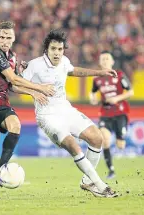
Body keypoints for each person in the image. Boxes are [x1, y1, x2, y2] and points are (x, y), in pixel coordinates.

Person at [19, 29, 119, 197]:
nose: (57, 53)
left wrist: (100, 72)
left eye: (60, 49)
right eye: (53, 49)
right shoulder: (35, 65)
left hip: (65, 109)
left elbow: (73, 71)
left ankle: (87, 182)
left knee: (96, 137)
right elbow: (16, 84)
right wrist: (34, 92)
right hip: (47, 116)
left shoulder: (64, 61)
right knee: (73, 144)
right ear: (47, 49)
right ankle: (101, 186)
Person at [0, 21, 54, 199]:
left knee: (16, 125)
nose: (5, 40)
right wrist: (39, 88)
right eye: (2, 37)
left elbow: (12, 86)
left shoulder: (12, 57)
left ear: (14, 38)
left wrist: (32, 92)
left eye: (9, 37)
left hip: (2, 104)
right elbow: (13, 78)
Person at [90, 51, 134, 179]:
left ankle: (120, 145)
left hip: (120, 112)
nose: (105, 61)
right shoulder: (97, 79)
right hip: (105, 113)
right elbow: (92, 93)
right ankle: (111, 170)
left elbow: (131, 92)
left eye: (107, 59)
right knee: (105, 140)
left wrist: (117, 98)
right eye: (102, 59)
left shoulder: (119, 75)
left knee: (120, 144)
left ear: (112, 61)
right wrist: (93, 98)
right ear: (99, 62)